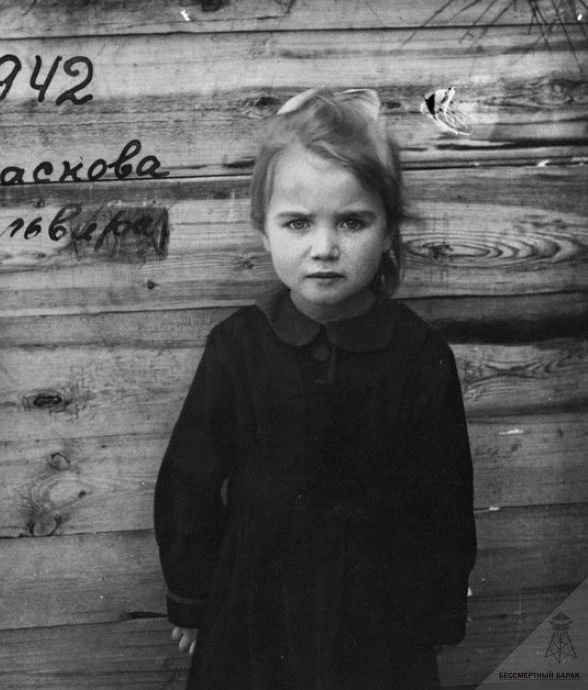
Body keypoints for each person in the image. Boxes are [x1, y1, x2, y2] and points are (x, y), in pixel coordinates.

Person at [154, 87, 477, 690]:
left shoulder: (418, 356)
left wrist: (440, 611)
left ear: (388, 230)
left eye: (352, 222)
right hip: (255, 598)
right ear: (264, 229)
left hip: (380, 604)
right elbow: (188, 482)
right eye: (298, 222)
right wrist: (193, 597)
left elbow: (446, 498)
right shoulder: (238, 348)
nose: (324, 248)